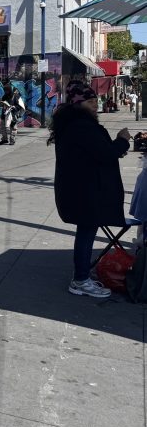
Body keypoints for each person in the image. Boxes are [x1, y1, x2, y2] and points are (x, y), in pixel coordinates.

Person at [50, 81, 130, 298]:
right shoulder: (82, 126)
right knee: (86, 234)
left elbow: (96, 153)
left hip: (81, 191)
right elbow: (104, 153)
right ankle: (80, 280)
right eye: (90, 101)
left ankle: (82, 275)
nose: (95, 105)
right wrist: (122, 141)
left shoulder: (74, 124)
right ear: (78, 103)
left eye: (95, 100)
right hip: (85, 192)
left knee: (86, 233)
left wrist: (114, 147)